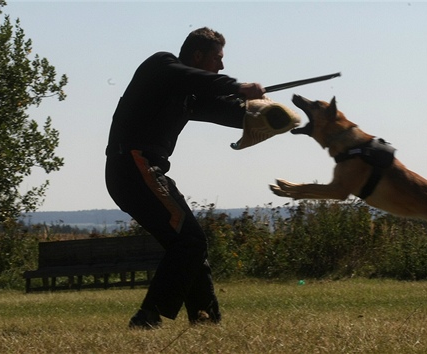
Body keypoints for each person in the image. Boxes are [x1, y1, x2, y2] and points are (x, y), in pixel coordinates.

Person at [105, 27, 297, 329]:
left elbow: (223, 107)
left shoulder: (188, 95)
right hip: (134, 165)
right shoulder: (161, 66)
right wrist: (237, 85)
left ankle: (206, 319)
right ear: (198, 55)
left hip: (142, 171)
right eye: (217, 58)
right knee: (189, 241)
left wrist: (262, 113)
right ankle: (148, 316)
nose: (221, 65)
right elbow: (199, 80)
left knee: (190, 242)